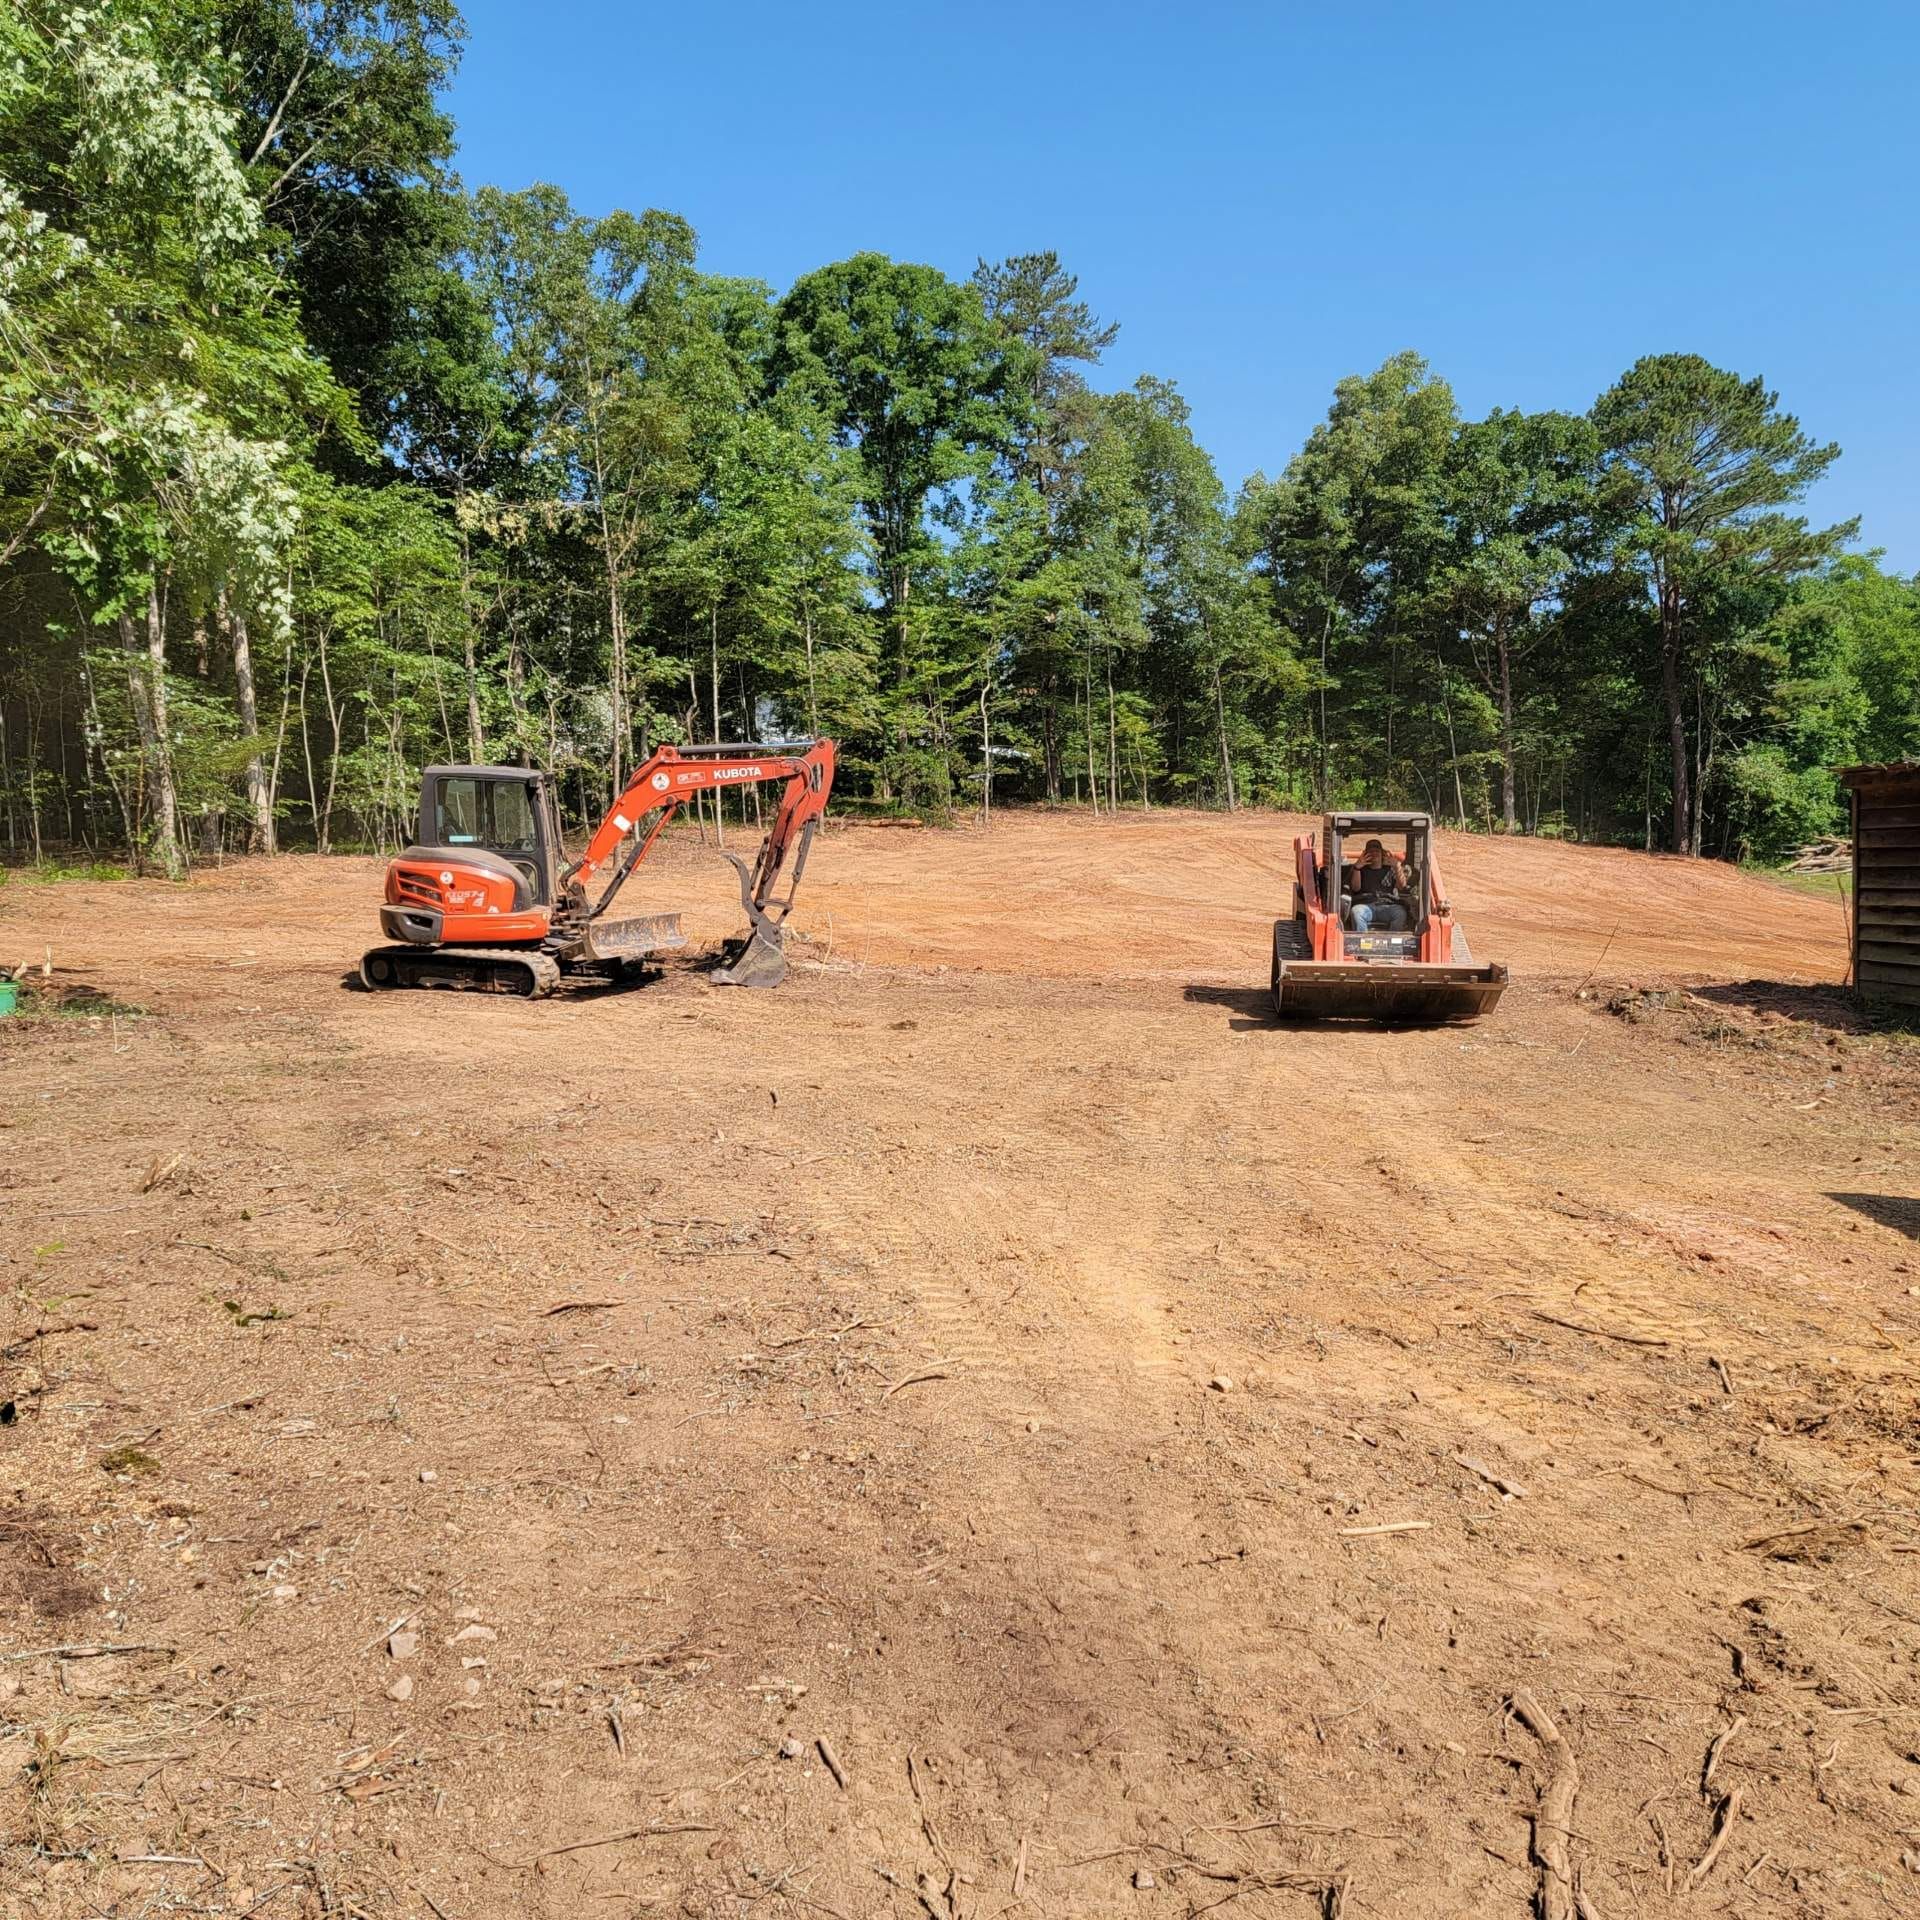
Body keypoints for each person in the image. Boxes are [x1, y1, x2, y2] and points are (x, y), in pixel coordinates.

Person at [1350, 838, 1410, 932]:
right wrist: (1357, 868)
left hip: (1387, 906)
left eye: (1377, 850)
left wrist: (1397, 866)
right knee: (1356, 912)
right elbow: (1355, 888)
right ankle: (1363, 942)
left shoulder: (1390, 870)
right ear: (1365, 854)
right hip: (1366, 905)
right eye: (1371, 851)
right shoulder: (1360, 869)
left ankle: (1393, 943)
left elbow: (1402, 886)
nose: (1374, 853)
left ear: (1382, 853)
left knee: (1400, 913)